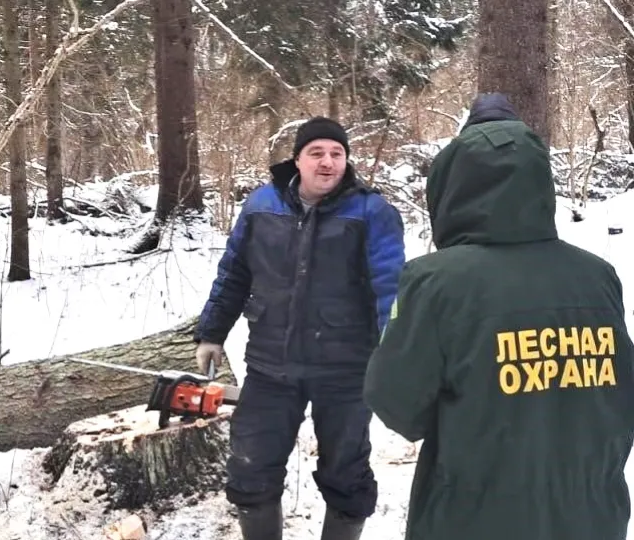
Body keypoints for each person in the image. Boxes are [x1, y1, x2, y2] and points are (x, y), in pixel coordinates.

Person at [363, 93, 634, 540]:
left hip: (474, 516)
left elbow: (397, 403)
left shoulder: (435, 282)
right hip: (591, 513)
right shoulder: (597, 276)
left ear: (453, 185)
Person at [194, 117, 406, 540]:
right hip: (272, 366)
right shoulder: (261, 206)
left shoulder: (372, 212)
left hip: (346, 370)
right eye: (317, 153)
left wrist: (395, 354)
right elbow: (234, 273)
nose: (328, 163)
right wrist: (212, 332)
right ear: (297, 160)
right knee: (250, 468)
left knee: (347, 475)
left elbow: (390, 288)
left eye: (337, 154)